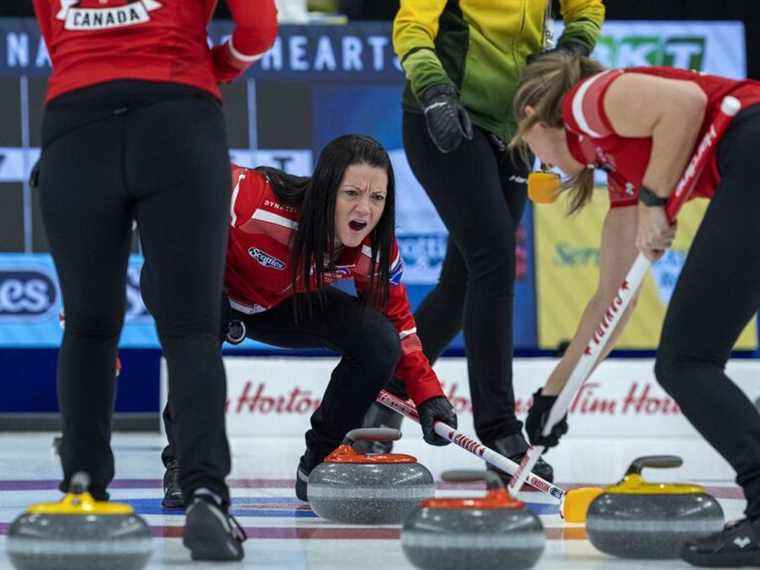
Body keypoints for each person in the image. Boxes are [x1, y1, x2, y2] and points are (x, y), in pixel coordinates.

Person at [31, 0, 278, 561]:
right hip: (179, 116)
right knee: (192, 326)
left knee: (89, 327)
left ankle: (83, 488)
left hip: (76, 122)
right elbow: (259, 25)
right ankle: (205, 494)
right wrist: (219, 65)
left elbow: (54, 33)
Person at [511, 53, 760, 567]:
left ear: (534, 114)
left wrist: (655, 201)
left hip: (751, 145)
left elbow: (685, 103)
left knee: (686, 361)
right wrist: (555, 394)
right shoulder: (614, 162)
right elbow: (611, 298)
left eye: (528, 148)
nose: (542, 166)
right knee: (687, 359)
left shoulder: (586, 101)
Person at [140, 135, 458, 507]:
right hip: (190, 283)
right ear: (325, 190)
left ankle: (318, 464)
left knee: (378, 340)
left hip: (273, 304)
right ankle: (185, 465)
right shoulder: (252, 199)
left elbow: (400, 326)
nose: (364, 210)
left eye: (377, 198)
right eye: (351, 193)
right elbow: (169, 196)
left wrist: (428, 394)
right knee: (203, 317)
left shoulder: (375, 247)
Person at [361, 0, 605, 484]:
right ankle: (498, 430)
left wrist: (571, 52)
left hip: (516, 127)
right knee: (493, 259)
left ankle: (386, 391)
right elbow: (411, 25)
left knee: (462, 286)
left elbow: (588, 8)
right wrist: (433, 91)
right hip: (447, 117)